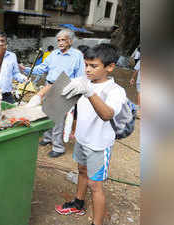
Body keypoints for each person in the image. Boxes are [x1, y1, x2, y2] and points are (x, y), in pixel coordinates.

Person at [55, 44, 126, 225]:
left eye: (93, 66)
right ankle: (78, 203)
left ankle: (97, 222)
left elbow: (107, 114)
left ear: (110, 67)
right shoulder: (84, 81)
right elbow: (58, 90)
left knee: (96, 186)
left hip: (99, 145)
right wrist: (39, 97)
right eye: (86, 64)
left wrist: (89, 92)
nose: (87, 69)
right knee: (81, 170)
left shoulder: (115, 91)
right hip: (82, 139)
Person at [20, 29, 85, 158]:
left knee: (58, 119)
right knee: (47, 113)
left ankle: (58, 147)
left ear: (70, 41)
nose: (60, 43)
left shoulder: (77, 56)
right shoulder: (54, 54)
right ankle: (48, 137)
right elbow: (42, 68)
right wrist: (26, 69)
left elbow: (80, 76)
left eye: (63, 40)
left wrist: (74, 92)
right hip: (49, 86)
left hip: (64, 88)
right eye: (59, 40)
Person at [0, 31, 28, 104]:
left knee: (10, 114)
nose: (1, 43)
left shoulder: (12, 56)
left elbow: (15, 73)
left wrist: (23, 78)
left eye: (3, 41)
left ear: (6, 43)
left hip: (7, 95)